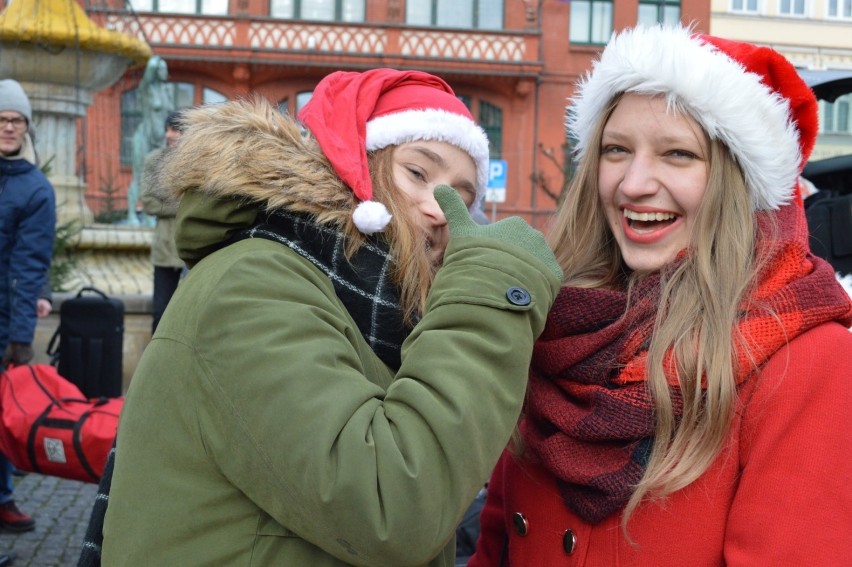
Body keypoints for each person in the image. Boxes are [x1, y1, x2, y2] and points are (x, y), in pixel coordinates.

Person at [86, 68, 562, 565]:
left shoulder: (384, 310)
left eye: (462, 199)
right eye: (418, 174)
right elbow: (392, 507)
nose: (442, 209)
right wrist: (492, 296)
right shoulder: (253, 285)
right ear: (357, 168)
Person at [469, 25, 852, 566]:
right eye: (616, 149)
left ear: (738, 183)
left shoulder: (807, 361)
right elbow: (496, 547)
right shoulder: (559, 327)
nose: (632, 184)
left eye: (677, 154)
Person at [0, 79, 56, 532]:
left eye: (16, 120)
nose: (8, 127)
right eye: (1, 119)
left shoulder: (36, 189)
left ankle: (1, 498)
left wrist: (20, 338)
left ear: (27, 127)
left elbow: (30, 263)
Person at [140, 109, 186, 333]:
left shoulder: (200, 163)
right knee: (161, 311)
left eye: (175, 130)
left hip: (191, 248)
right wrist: (184, 205)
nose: (169, 134)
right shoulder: (153, 161)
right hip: (165, 249)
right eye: (167, 129)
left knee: (189, 311)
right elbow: (148, 203)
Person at [126, 55, 173, 225]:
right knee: (138, 176)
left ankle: (148, 215)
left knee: (155, 179)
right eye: (161, 69)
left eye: (165, 69)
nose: (165, 72)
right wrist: (155, 61)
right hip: (144, 136)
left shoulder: (166, 90)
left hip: (160, 139)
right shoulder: (146, 89)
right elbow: (147, 76)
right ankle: (131, 214)